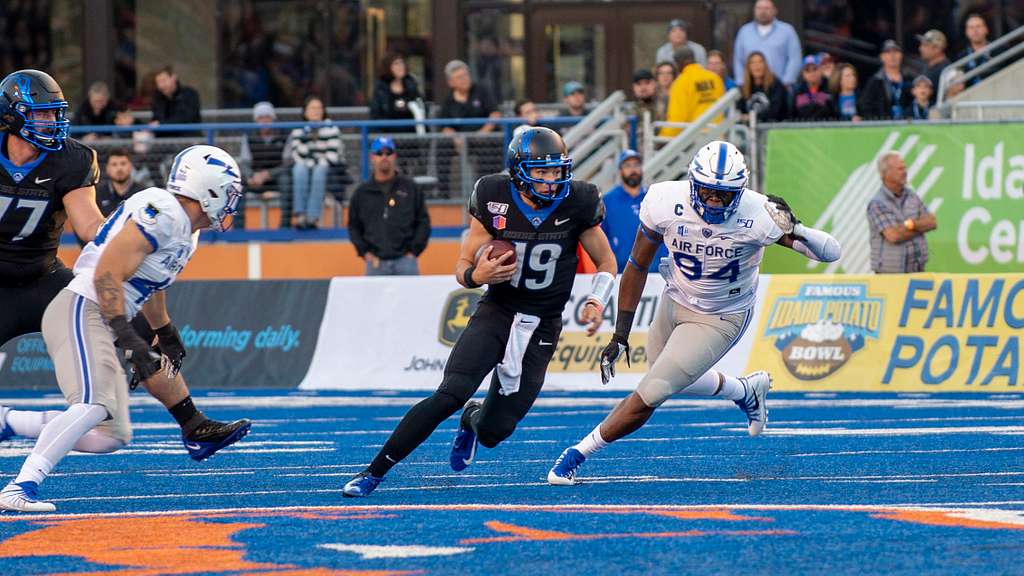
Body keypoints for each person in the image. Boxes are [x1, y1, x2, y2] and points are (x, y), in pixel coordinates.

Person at [342, 127, 618, 497]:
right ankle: (373, 472)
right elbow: (462, 265)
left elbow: (606, 261)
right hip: (498, 310)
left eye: (557, 171)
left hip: (543, 325)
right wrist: (477, 274)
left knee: (495, 432)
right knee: (449, 393)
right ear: (519, 170)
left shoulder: (579, 201)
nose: (552, 180)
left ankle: (472, 421)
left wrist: (597, 299)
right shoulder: (493, 194)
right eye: (542, 172)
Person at [546, 140, 841, 485]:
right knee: (665, 376)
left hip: (721, 314)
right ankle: (744, 391)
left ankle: (577, 454)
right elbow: (638, 264)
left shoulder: (758, 213)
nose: (714, 201)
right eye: (708, 191)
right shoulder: (665, 201)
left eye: (724, 194)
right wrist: (621, 333)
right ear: (692, 183)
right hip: (675, 299)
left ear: (740, 191)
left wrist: (796, 227)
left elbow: (830, 252)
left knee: (653, 390)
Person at [0, 71, 250, 469]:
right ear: (12, 116)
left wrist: (123, 245)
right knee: (120, 326)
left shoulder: (72, 157)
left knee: (126, 329)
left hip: (42, 277)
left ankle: (192, 424)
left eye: (54, 115)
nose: (52, 124)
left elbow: (87, 227)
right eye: (42, 115)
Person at [347, 137, 430, 276]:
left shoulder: (411, 188)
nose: (384, 157)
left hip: (406, 262)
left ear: (395, 156)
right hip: (375, 263)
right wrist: (365, 253)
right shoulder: (362, 193)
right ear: (372, 157)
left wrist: (413, 251)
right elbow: (353, 226)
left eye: (388, 153)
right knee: (373, 298)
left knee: (410, 298)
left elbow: (423, 222)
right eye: (379, 153)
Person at [867, 152, 936, 274]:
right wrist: (920, 226)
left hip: (917, 272)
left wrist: (910, 225)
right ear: (886, 174)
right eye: (900, 168)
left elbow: (932, 222)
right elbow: (893, 235)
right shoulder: (877, 203)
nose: (905, 172)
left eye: (905, 168)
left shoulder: (912, 196)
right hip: (890, 276)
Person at [601, 150, 666, 273]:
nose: (633, 170)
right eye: (628, 166)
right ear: (620, 170)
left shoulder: (654, 197)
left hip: (654, 272)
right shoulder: (608, 200)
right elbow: (601, 236)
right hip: (620, 271)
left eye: (636, 165)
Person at [288, 95, 343, 230]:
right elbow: (297, 156)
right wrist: (307, 135)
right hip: (307, 169)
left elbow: (332, 156)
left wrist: (313, 159)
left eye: (319, 108)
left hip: (331, 172)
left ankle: (312, 217)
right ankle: (301, 215)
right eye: (312, 108)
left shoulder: (332, 129)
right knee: (299, 168)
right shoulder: (298, 130)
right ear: (305, 112)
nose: (316, 111)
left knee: (320, 169)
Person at [239, 101, 290, 229]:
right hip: (255, 180)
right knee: (237, 184)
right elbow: (244, 162)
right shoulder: (248, 136)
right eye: (261, 118)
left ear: (273, 119)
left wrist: (268, 174)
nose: (264, 121)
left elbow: (288, 163)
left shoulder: (285, 135)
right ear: (256, 120)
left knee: (287, 180)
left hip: (276, 179)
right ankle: (238, 229)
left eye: (267, 117)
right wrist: (251, 175)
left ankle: (284, 227)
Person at [733, 0, 802, 86]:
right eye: (759, 8)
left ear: (775, 11)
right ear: (754, 10)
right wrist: (741, 82)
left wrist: (787, 82)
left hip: (779, 88)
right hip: (751, 88)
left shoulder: (787, 31)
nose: (763, 12)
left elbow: (795, 59)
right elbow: (738, 60)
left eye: (767, 8)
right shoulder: (744, 31)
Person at [661, 46, 724, 137]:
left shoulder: (680, 83)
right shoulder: (715, 78)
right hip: (717, 134)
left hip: (695, 139)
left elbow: (677, 119)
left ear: (678, 63)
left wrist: (663, 136)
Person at [369, 53, 423, 133]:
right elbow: (376, 113)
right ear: (388, 67)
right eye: (396, 64)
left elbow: (420, 104)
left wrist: (408, 106)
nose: (400, 67)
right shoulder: (381, 88)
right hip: (387, 134)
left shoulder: (411, 84)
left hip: (410, 134)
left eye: (402, 63)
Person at [859, 40, 912, 120]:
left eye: (896, 51)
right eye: (888, 52)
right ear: (882, 57)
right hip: (884, 127)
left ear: (901, 55)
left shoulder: (909, 79)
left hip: (908, 125)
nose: (892, 55)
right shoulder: (875, 81)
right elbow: (865, 105)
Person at [149, 65, 201, 136]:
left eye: (163, 80)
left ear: (173, 77)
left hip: (188, 139)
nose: (161, 85)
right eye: (158, 82)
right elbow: (156, 118)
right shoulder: (158, 98)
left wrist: (161, 124)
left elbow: (185, 118)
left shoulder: (189, 94)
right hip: (164, 142)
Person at [737, 51, 788, 122]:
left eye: (760, 62)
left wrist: (752, 117)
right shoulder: (743, 88)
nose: (757, 66)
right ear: (748, 67)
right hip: (749, 130)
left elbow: (775, 111)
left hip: (772, 128)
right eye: (753, 63)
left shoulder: (776, 84)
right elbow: (739, 111)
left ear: (765, 65)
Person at [95, 148, 144, 216]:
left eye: (123, 164)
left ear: (131, 167)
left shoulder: (142, 193)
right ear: (107, 169)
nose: (119, 168)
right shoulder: (98, 194)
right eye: (114, 164)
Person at [791, 54, 835, 120]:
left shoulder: (830, 87)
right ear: (803, 74)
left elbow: (835, 113)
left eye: (815, 69)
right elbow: (791, 115)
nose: (812, 73)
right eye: (807, 70)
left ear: (821, 70)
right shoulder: (797, 91)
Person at [958, 14, 995, 89]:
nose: (975, 30)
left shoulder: (999, 49)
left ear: (986, 29)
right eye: (971, 28)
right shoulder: (962, 56)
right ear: (966, 32)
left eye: (978, 26)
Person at [917, 29, 950, 102]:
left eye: (925, 45)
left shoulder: (948, 70)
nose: (920, 48)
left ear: (937, 48)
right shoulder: (926, 66)